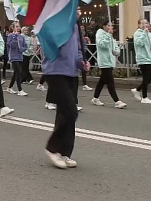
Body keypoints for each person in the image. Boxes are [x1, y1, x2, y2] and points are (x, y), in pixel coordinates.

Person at [43, 18, 90, 169]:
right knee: (71, 112)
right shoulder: (52, 21)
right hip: (55, 71)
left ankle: (64, 153)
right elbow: (47, 43)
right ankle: (52, 148)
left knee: (64, 113)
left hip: (71, 73)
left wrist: (81, 62)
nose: (78, 10)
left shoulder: (74, 25)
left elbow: (77, 48)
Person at [91, 20, 127, 109]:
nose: (110, 27)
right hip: (104, 61)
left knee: (102, 81)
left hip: (110, 61)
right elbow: (101, 44)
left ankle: (95, 98)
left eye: (111, 26)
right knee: (110, 81)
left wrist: (117, 52)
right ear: (103, 26)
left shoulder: (111, 36)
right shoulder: (100, 33)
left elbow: (115, 46)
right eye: (108, 25)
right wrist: (108, 35)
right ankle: (117, 101)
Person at [131, 19, 151, 104]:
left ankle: (137, 89)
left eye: (146, 23)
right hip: (142, 58)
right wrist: (144, 33)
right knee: (146, 77)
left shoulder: (149, 33)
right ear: (139, 25)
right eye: (142, 23)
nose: (144, 25)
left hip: (149, 57)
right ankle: (144, 97)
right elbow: (139, 43)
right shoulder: (138, 33)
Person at [6, 22, 28, 96]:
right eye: (16, 26)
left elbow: (25, 45)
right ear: (12, 28)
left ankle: (9, 87)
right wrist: (14, 38)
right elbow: (11, 45)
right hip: (13, 56)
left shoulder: (21, 37)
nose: (18, 28)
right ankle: (20, 89)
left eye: (19, 26)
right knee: (18, 72)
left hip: (20, 56)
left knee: (16, 72)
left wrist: (22, 49)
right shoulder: (10, 36)